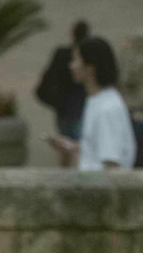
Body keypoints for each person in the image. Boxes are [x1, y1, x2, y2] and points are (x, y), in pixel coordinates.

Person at [49, 36, 136, 171]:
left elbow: (111, 167)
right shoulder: (96, 100)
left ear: (90, 67)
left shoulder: (107, 108)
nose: (71, 66)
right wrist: (73, 147)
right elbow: (97, 149)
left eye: (76, 60)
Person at [36, 20, 91, 141]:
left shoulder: (62, 54)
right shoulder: (82, 57)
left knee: (67, 146)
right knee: (74, 147)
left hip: (65, 109)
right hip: (74, 108)